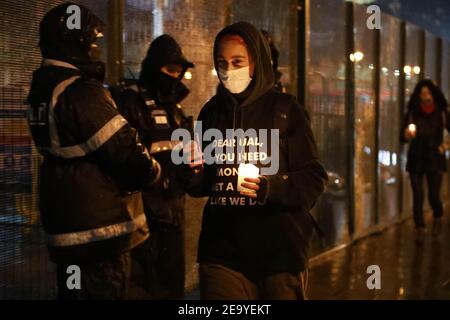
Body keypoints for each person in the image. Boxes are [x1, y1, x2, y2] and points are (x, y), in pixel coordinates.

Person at [27, 2, 161, 299]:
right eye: (92, 40)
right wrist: (153, 172)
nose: (96, 47)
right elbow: (125, 151)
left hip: (68, 229)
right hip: (99, 233)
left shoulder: (43, 88)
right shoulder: (80, 91)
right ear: (75, 42)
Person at [186, 22, 327, 300]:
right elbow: (201, 185)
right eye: (221, 63)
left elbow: (313, 177)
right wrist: (193, 169)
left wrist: (270, 187)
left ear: (256, 63)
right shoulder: (211, 113)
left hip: (279, 252)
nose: (228, 70)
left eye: (237, 61)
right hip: (222, 251)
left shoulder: (286, 110)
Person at [114, 34, 194, 299]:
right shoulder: (130, 102)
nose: (176, 76)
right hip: (142, 217)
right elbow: (123, 160)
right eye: (170, 69)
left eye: (180, 71)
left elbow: (181, 156)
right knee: (143, 287)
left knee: (171, 287)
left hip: (173, 212)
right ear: (154, 67)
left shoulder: (175, 108)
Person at [402, 79, 449, 244]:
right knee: (418, 195)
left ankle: (438, 216)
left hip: (435, 158)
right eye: (422, 93)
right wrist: (407, 134)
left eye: (428, 93)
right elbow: (403, 135)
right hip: (416, 158)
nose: (425, 96)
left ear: (434, 94)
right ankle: (420, 227)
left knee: (433, 196)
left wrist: (445, 146)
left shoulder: (442, 111)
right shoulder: (413, 111)